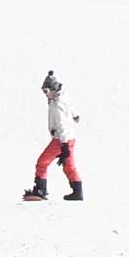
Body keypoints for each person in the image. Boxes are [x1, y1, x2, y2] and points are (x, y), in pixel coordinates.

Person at [23, 71, 81, 201]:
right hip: (70, 138)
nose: (45, 94)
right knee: (69, 166)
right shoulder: (62, 98)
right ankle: (78, 191)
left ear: (53, 89)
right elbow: (70, 109)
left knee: (42, 162)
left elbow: (62, 125)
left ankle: (40, 190)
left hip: (61, 140)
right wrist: (74, 116)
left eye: (46, 90)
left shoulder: (57, 105)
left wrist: (64, 145)